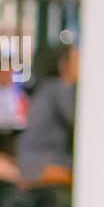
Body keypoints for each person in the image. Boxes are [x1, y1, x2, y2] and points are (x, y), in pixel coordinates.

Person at [17, 43, 78, 182]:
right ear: (64, 64)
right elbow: (76, 121)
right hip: (43, 161)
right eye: (77, 58)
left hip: (35, 158)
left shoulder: (50, 87)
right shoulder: (57, 88)